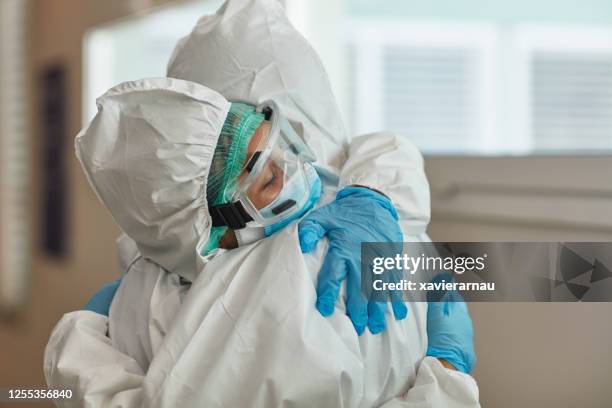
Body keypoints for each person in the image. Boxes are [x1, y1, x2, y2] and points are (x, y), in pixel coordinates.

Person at [45, 77, 478, 407]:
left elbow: (384, 148)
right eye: (268, 176)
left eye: (283, 145)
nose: (297, 169)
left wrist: (76, 340)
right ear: (215, 227)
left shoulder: (328, 216)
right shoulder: (276, 293)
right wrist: (446, 376)